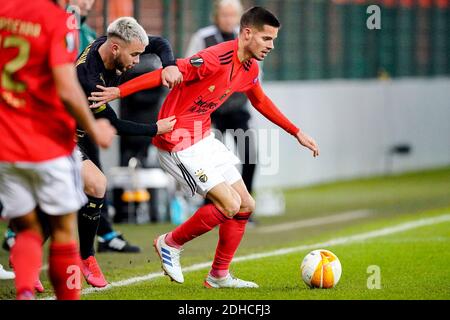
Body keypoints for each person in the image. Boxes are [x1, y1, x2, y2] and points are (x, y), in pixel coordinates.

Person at [89, 6, 319, 288]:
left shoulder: (250, 67)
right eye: (266, 39)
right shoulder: (214, 58)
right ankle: (169, 243)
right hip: (177, 142)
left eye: (273, 40)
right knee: (230, 204)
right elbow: (167, 71)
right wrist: (118, 91)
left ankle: (219, 275)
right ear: (247, 34)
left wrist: (296, 132)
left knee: (246, 205)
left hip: (202, 137)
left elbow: (260, 101)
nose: (271, 46)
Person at [0, 0, 115, 300]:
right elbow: (66, 87)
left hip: (7, 141)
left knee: (27, 227)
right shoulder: (59, 21)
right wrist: (93, 126)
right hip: (48, 140)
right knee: (64, 229)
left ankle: (25, 290)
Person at [75, 16, 181, 288]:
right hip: (56, 135)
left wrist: (168, 65)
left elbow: (159, 43)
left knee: (90, 187)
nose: (136, 60)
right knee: (88, 188)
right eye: (133, 55)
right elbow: (114, 124)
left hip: (79, 134)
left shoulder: (111, 42)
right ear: (115, 49)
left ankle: (82, 255)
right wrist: (155, 129)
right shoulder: (89, 78)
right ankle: (84, 257)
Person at [186, 0, 258, 219]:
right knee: (207, 159)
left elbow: (255, 75)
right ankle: (211, 203)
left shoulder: (246, 38)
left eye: (232, 15)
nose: (228, 20)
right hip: (209, 110)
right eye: (224, 15)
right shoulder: (203, 37)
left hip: (237, 108)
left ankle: (245, 202)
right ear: (216, 17)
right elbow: (190, 67)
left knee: (250, 154)